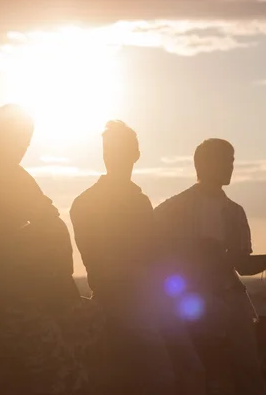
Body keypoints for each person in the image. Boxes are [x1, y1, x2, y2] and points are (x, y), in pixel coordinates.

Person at [0, 104, 101, 395]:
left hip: (19, 299)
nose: (23, 150)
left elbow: (50, 221)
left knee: (97, 327)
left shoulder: (10, 176)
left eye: (26, 144)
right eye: (19, 142)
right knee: (68, 377)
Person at [70, 121, 204, 395]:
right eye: (111, 150)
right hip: (120, 301)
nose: (114, 156)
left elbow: (154, 255)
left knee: (192, 371)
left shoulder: (137, 201)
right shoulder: (87, 203)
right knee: (163, 377)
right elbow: (102, 266)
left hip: (151, 301)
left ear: (135, 155)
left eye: (120, 150)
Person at [153, 138, 266, 395]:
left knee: (248, 371)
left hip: (229, 299)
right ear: (204, 164)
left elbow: (242, 265)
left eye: (232, 162)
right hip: (188, 301)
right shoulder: (173, 209)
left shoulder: (235, 212)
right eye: (226, 161)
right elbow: (152, 248)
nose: (230, 167)